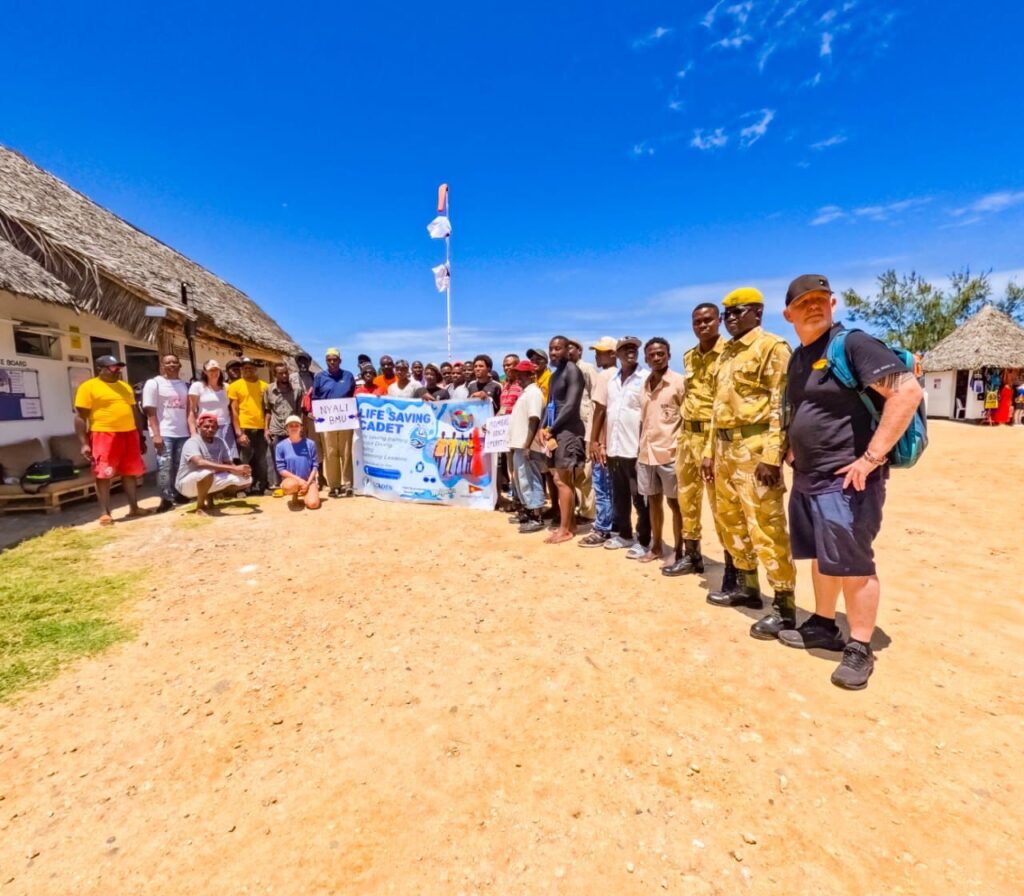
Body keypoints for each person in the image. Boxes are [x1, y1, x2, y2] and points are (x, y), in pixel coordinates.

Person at [777, 274, 924, 689]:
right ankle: (824, 624)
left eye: (820, 299)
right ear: (788, 314)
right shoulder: (801, 356)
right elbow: (807, 406)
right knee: (824, 558)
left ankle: (860, 646)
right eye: (804, 302)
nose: (813, 306)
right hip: (809, 477)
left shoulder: (854, 345)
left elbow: (907, 393)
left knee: (854, 563)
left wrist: (871, 458)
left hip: (849, 481)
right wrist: (793, 446)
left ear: (833, 303)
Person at [702, 287, 797, 640]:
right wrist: (710, 452)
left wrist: (772, 456)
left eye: (737, 312)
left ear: (758, 312)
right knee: (731, 522)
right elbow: (716, 406)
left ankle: (784, 607)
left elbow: (780, 405)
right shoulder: (726, 352)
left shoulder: (772, 347)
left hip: (755, 450)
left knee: (766, 527)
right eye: (727, 313)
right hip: (725, 449)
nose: (729, 318)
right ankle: (747, 587)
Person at [663, 305, 731, 580]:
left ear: (719, 321)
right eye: (697, 322)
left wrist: (709, 448)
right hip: (687, 435)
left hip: (713, 437)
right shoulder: (690, 356)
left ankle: (734, 567)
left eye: (708, 320)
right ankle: (692, 556)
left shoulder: (729, 354)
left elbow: (722, 403)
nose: (702, 325)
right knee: (687, 499)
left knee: (721, 505)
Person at [592, 337, 650, 558]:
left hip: (635, 448)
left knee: (640, 497)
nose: (630, 352)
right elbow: (604, 412)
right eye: (625, 349)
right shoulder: (612, 381)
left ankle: (644, 540)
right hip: (615, 448)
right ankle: (624, 534)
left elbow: (647, 414)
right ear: (616, 354)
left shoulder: (645, 378)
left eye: (634, 348)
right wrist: (598, 441)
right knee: (620, 495)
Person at [74, 355, 149, 525]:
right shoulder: (88, 387)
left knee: (130, 471)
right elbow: (80, 417)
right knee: (103, 473)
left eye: (119, 368)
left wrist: (140, 437)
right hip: (103, 434)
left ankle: (134, 507)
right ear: (100, 369)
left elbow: (134, 413)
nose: (118, 371)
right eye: (114, 368)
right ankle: (105, 512)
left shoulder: (125, 387)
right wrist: (84, 443)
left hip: (129, 434)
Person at [637, 338, 686, 566]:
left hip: (670, 453)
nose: (657, 358)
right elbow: (643, 421)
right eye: (652, 355)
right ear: (646, 358)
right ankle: (656, 546)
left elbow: (687, 419)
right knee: (653, 502)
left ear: (668, 355)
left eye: (661, 354)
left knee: (676, 504)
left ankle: (679, 550)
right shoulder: (644, 385)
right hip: (647, 454)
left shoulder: (679, 383)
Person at [542, 336, 585, 544]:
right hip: (554, 431)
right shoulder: (554, 375)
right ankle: (572, 523)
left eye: (557, 349)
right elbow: (550, 404)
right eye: (551, 348)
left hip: (568, 431)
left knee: (562, 480)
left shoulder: (572, 371)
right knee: (558, 479)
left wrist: (552, 428)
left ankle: (565, 530)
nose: (553, 352)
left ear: (568, 350)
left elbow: (570, 406)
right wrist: (543, 427)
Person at [578, 337, 618, 547]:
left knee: (601, 486)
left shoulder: (604, 376)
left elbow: (601, 411)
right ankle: (614, 524)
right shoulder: (619, 376)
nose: (596, 355)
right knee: (610, 486)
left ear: (613, 354)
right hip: (611, 440)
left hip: (600, 440)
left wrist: (596, 442)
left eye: (601, 352)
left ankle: (602, 528)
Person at [176, 412, 252, 514]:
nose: (210, 429)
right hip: (187, 483)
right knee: (206, 473)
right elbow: (199, 463)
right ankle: (200, 506)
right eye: (206, 426)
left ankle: (210, 498)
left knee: (246, 479)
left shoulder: (220, 442)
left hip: (209, 477)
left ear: (217, 429)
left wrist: (240, 470)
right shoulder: (192, 442)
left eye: (213, 427)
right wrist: (234, 469)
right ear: (199, 426)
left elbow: (228, 464)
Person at [143, 353, 190, 512]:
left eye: (174, 362)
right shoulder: (154, 383)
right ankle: (165, 498)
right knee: (164, 466)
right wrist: (156, 434)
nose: (171, 365)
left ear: (179, 365)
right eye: (167, 362)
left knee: (179, 465)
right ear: (162, 365)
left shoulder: (184, 385)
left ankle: (178, 493)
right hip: (165, 432)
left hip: (183, 432)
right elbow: (150, 412)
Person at [507, 360, 548, 533]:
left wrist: (527, 444)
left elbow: (534, 419)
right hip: (520, 444)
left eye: (522, 374)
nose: (518, 377)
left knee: (531, 479)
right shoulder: (526, 393)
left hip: (527, 445)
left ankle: (536, 516)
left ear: (530, 375)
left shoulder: (534, 393)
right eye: (517, 374)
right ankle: (528, 511)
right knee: (523, 479)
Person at [312, 347, 356, 498]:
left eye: (335, 359)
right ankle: (334, 485)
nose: (332, 362)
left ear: (340, 360)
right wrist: (316, 412)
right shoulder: (319, 377)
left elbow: (353, 395)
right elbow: (315, 398)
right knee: (330, 453)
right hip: (327, 422)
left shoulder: (348, 376)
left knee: (346, 452)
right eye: (329, 360)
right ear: (326, 361)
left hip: (345, 421)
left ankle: (348, 484)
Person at [566, 338, 597, 525]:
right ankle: (579, 508)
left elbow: (597, 396)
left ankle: (588, 512)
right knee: (575, 470)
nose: (568, 351)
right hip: (571, 427)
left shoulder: (586, 368)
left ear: (579, 351)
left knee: (586, 471)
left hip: (586, 424)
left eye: (572, 348)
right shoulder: (565, 371)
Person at [228, 358, 270, 495]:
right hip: (244, 427)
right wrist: (239, 432)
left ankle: (262, 485)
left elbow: (267, 409)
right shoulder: (235, 386)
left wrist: (266, 428)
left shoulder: (265, 386)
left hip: (260, 428)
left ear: (256, 369)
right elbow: (234, 410)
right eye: (245, 368)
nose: (248, 370)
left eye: (250, 368)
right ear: (241, 370)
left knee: (262, 459)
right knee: (244, 459)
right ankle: (242, 487)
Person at [264, 362, 303, 489]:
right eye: (281, 373)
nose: (285, 375)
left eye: (286, 372)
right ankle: (279, 484)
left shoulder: (297, 391)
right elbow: (268, 411)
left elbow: (299, 412)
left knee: (293, 458)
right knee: (277, 459)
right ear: (275, 375)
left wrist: (300, 430)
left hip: (292, 431)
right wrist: (266, 429)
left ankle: (294, 484)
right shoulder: (269, 390)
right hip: (276, 430)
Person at [188, 359, 236, 458]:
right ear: (205, 372)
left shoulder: (226, 387)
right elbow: (192, 411)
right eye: (211, 370)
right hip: (207, 428)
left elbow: (231, 408)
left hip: (226, 426)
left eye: (216, 370)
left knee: (229, 456)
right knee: (211, 457)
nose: (214, 373)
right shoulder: (197, 386)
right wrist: (193, 432)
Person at [275, 415, 321, 509]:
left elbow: (315, 466)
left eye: (296, 425)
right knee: (290, 486)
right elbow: (281, 469)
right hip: (292, 481)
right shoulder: (280, 446)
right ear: (286, 428)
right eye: (291, 426)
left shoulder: (310, 444)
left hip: (308, 480)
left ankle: (307, 493)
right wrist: (299, 481)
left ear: (301, 428)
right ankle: (295, 493)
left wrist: (307, 483)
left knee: (313, 504)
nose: (294, 427)